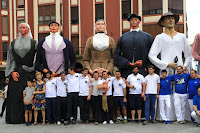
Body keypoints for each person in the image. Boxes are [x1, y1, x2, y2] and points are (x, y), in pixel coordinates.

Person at [5, 23, 37, 124]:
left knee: (30, 95)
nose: (22, 29)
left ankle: (31, 119)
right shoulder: (13, 43)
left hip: (29, 74)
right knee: (15, 96)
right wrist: (11, 73)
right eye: (20, 27)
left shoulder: (34, 43)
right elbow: (11, 59)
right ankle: (15, 119)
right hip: (17, 73)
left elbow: (37, 59)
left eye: (24, 27)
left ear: (28, 29)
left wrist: (33, 69)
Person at [114, 13, 153, 78]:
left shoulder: (148, 37)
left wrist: (147, 66)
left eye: (136, 19)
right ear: (130, 22)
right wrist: (128, 63)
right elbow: (117, 55)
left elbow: (152, 54)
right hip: (127, 71)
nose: (134, 21)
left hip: (143, 71)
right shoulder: (123, 38)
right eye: (132, 20)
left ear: (139, 21)